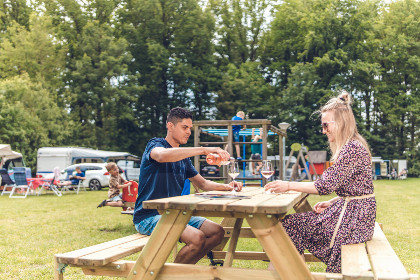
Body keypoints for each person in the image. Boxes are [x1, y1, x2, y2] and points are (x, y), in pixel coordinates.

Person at [264, 90, 376, 273]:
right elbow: (359, 188)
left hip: (354, 219)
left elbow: (324, 185)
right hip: (357, 215)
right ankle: (292, 275)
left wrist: (288, 185)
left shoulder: (351, 148)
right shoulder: (354, 144)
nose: (323, 131)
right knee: (291, 226)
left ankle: (291, 275)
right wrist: (334, 201)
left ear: (340, 123)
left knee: (289, 227)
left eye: (325, 125)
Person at [133, 107, 243, 264]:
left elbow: (203, 183)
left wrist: (228, 186)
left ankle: (178, 272)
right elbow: (162, 156)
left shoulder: (183, 158)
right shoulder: (156, 144)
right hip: (148, 216)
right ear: (170, 126)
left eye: (190, 128)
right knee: (197, 238)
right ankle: (171, 275)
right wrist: (204, 149)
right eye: (184, 127)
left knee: (217, 232)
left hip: (175, 214)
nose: (189, 132)